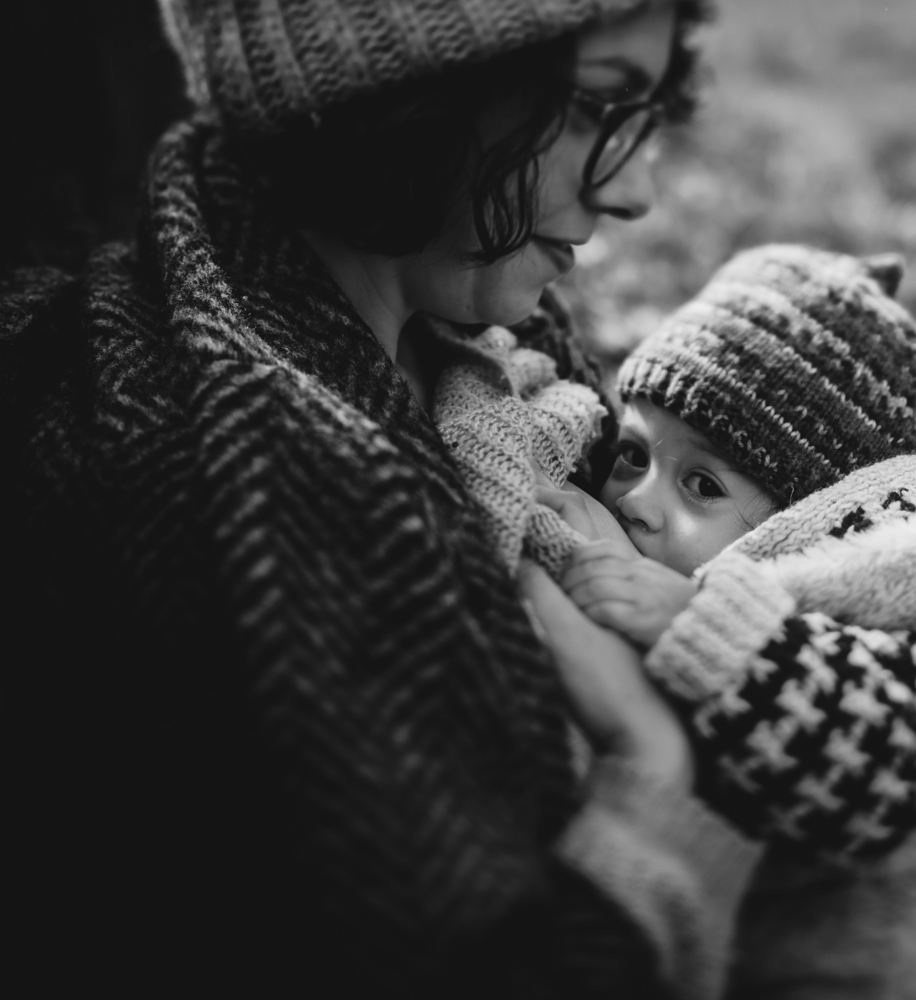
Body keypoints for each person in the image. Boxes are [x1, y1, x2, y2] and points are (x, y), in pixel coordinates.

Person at [5, 1, 790, 997]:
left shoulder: (458, 322)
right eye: (595, 106)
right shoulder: (231, 494)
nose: (635, 191)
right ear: (406, 95)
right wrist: (652, 762)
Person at [446, 243, 916, 998]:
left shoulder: (884, 606)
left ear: (806, 516)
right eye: (632, 454)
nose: (637, 503)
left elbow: (885, 763)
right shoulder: (715, 552)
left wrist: (699, 621)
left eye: (702, 485)